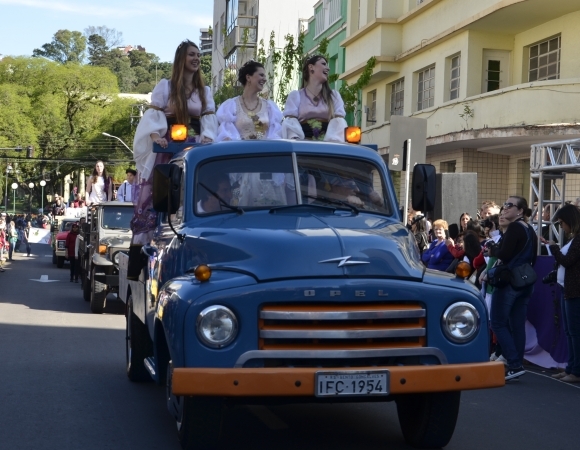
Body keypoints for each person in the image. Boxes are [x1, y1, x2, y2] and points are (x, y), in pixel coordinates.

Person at [129, 40, 218, 278]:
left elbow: (209, 121)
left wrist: (207, 138)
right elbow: (154, 117)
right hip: (169, 147)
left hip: (194, 147)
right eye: (192, 54)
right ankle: (141, 265)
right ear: (181, 59)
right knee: (158, 199)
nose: (196, 58)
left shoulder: (204, 91)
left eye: (198, 55)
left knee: (194, 197)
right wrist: (157, 136)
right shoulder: (166, 87)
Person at [486, 196, 537, 381]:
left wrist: (493, 251)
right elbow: (534, 257)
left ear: (521, 211)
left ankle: (514, 363)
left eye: (510, 205)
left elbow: (505, 255)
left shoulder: (515, 227)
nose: (504, 208)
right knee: (517, 325)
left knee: (497, 322)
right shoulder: (530, 229)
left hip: (509, 282)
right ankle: (516, 365)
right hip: (525, 282)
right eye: (504, 205)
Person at [543, 204, 580, 383]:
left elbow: (568, 260)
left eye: (561, 223)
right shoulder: (574, 239)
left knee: (575, 332)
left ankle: (576, 371)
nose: (561, 227)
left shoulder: (578, 239)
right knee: (569, 331)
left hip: (575, 290)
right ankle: (571, 368)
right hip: (568, 289)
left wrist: (554, 248)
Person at [282, 54, 348, 142]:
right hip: (302, 145)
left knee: (340, 121)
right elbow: (290, 125)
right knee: (288, 121)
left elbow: (339, 125)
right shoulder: (296, 96)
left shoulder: (333, 96)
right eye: (323, 64)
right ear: (311, 67)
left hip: (328, 145)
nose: (328, 68)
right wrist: (297, 142)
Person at [216, 60, 283, 141]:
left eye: (264, 76)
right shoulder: (231, 106)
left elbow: (275, 136)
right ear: (248, 77)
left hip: (264, 152)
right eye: (261, 75)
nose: (265, 79)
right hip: (240, 152)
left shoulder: (269, 107)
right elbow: (226, 136)